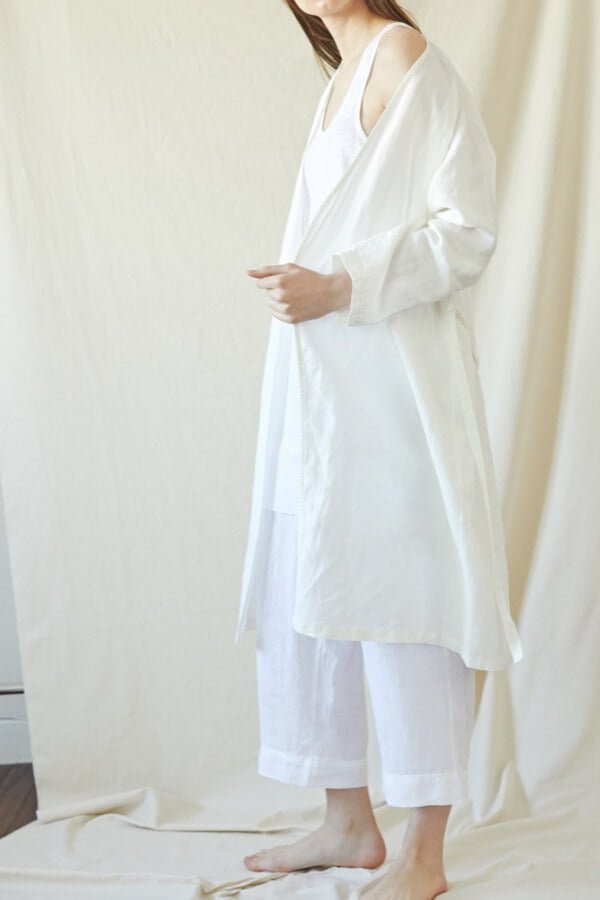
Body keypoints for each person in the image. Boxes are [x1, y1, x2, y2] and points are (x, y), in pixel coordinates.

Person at [239, 3, 516, 897]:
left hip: (391, 398)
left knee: (404, 597)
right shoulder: (341, 76)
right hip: (320, 396)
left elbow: (467, 226)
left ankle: (423, 853)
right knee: (312, 586)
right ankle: (348, 823)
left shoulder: (402, 54)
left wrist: (339, 286)